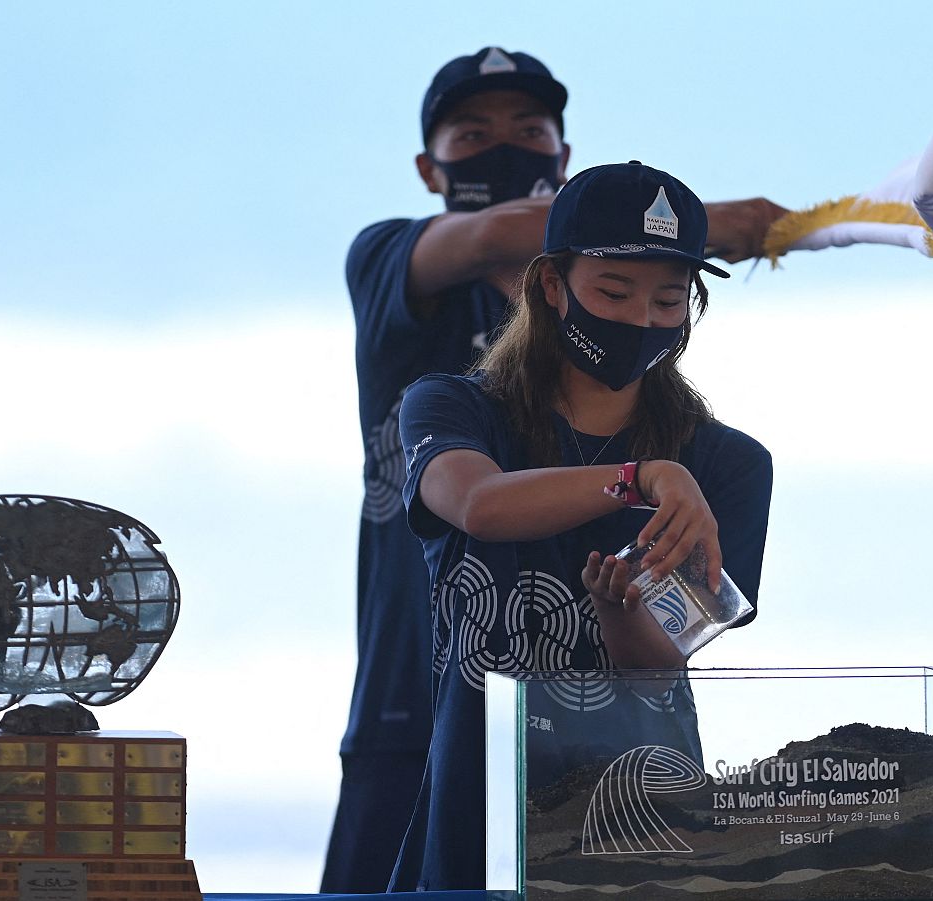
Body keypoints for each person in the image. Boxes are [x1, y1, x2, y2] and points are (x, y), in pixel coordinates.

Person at [329, 47, 785, 893]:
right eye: (612, 291)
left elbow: (659, 663)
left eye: (668, 298)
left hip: (642, 814)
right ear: (550, 285)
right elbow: (479, 504)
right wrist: (641, 477)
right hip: (472, 798)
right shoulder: (452, 406)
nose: (641, 316)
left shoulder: (729, 464)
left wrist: (621, 614)